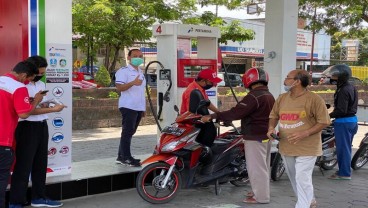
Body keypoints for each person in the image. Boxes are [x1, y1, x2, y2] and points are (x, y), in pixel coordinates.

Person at [202, 68, 275, 204]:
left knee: (256, 168)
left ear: (249, 80)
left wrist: (213, 115)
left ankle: (261, 197)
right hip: (265, 135)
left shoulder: (254, 96)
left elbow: (236, 112)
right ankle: (259, 192)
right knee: (263, 166)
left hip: (254, 136)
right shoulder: (268, 95)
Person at [267, 69, 330, 208]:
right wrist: (271, 128)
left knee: (302, 178)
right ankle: (310, 200)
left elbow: (324, 121)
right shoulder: (282, 98)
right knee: (295, 178)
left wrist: (305, 133)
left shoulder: (314, 99)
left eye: (288, 77)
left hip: (307, 147)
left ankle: (302, 205)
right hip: (286, 146)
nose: (285, 79)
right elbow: (273, 116)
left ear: (297, 81)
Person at [9, 56, 66, 208]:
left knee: (40, 164)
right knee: (23, 165)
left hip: (41, 125)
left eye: (43, 72)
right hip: (27, 127)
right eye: (39, 71)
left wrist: (48, 102)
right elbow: (27, 111)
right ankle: (16, 201)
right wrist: (52, 109)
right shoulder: (21, 86)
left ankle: (38, 197)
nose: (41, 74)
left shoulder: (40, 84)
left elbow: (37, 104)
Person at [0, 61, 44, 208]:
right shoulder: (19, 87)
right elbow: (24, 114)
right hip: (2, 142)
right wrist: (36, 101)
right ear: (24, 75)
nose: (27, 83)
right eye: (28, 79)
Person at [324, 64, 358, 180]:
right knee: (346, 148)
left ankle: (344, 173)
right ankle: (344, 171)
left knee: (343, 149)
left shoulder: (343, 90)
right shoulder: (351, 87)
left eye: (334, 75)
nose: (332, 77)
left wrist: (327, 116)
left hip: (343, 122)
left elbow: (341, 110)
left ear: (341, 76)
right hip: (352, 121)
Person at [115, 49, 146, 167]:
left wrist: (143, 108)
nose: (138, 58)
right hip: (128, 106)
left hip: (138, 107)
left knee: (130, 132)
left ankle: (121, 156)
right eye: (135, 56)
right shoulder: (124, 71)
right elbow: (119, 87)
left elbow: (141, 92)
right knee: (127, 132)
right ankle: (126, 158)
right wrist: (132, 82)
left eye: (140, 56)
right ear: (128, 57)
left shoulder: (140, 72)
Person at [180, 69, 222, 147]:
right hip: (193, 127)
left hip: (200, 123)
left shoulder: (200, 89)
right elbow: (192, 113)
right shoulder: (192, 92)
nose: (213, 84)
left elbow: (207, 103)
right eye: (211, 82)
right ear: (203, 81)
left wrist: (219, 113)